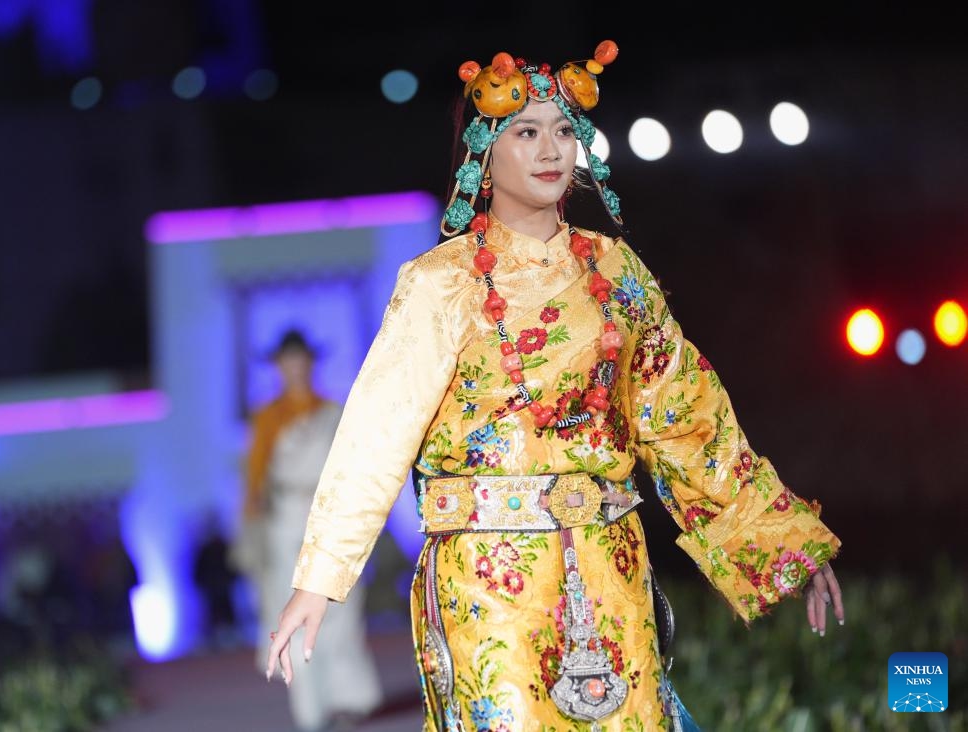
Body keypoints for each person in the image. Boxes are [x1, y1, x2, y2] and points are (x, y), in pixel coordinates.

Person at [267, 41, 845, 731]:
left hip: (609, 566)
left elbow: (691, 425)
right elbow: (375, 436)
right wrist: (317, 583)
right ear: (485, 152)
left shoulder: (617, 272)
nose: (551, 149)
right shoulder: (440, 284)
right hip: (487, 578)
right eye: (527, 132)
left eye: (566, 131)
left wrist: (789, 546)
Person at [239, 328, 383, 731]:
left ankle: (350, 698)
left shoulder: (332, 412)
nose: (295, 367)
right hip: (285, 518)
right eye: (287, 360)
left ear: (310, 362)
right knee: (291, 606)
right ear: (278, 366)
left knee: (341, 602)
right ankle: (310, 708)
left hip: (330, 513)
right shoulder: (268, 418)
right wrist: (250, 528)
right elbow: (254, 477)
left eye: (300, 358)